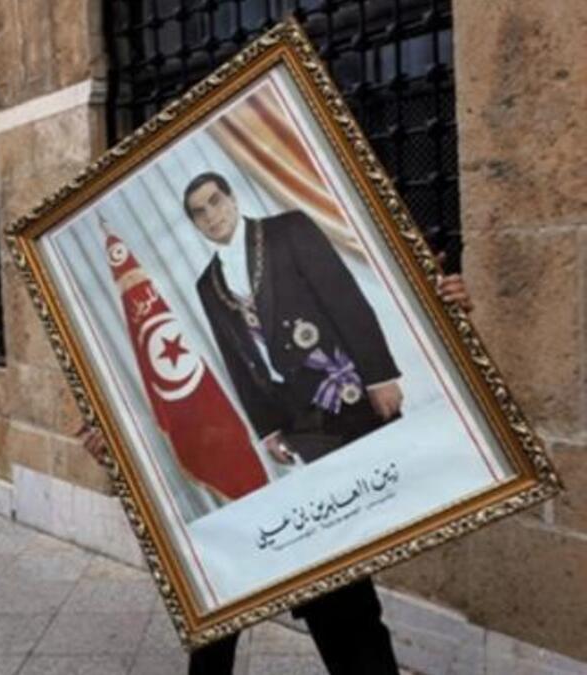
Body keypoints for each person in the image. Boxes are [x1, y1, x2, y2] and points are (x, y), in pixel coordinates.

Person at [78, 241, 474, 674]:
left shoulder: (278, 251)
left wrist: (432, 308)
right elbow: (138, 399)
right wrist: (113, 442)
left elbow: (355, 307)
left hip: (313, 465)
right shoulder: (148, 309)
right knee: (214, 635)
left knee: (349, 624)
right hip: (224, 493)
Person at [187, 172, 400, 466]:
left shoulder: (289, 229)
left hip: (346, 386)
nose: (211, 215)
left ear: (232, 199)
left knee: (395, 470)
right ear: (195, 224)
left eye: (215, 201)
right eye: (200, 213)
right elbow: (236, 360)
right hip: (296, 417)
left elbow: (345, 300)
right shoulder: (207, 285)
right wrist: (267, 428)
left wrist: (380, 376)